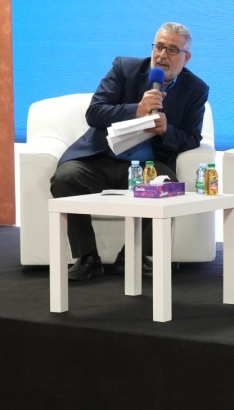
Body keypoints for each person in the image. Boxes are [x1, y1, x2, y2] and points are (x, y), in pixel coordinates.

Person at [50, 22, 209, 281]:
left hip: (146, 166)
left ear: (186, 57)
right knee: (65, 178)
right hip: (100, 157)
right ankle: (87, 257)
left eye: (171, 50)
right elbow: (95, 112)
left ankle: (132, 256)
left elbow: (192, 137)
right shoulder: (125, 68)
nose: (162, 55)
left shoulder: (196, 89)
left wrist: (166, 130)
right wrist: (136, 110)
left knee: (167, 187)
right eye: (159, 47)